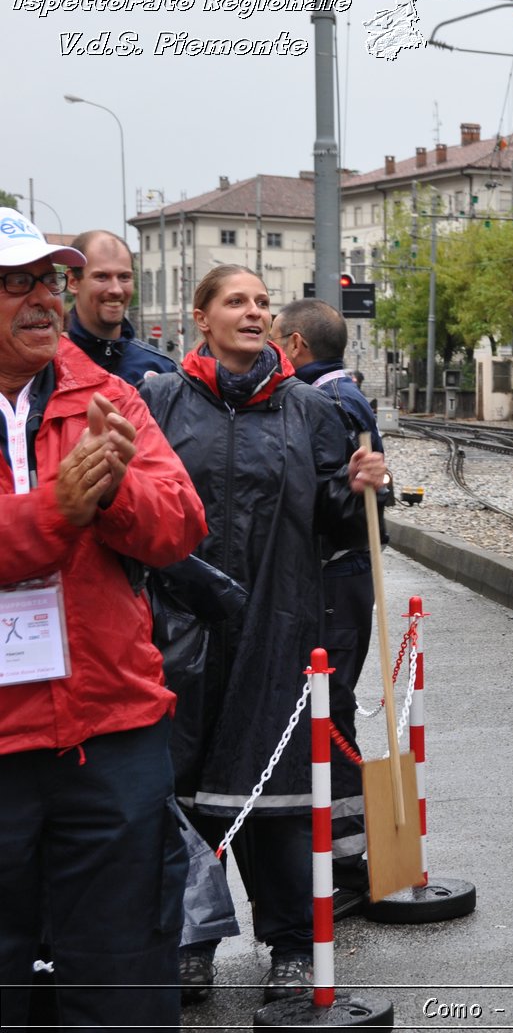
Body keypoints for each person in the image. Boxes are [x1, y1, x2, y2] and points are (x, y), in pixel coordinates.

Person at [139, 265, 387, 1004]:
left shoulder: (308, 409)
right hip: (180, 631)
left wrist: (362, 487)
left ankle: (288, 943)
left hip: (277, 626)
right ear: (201, 318)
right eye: (234, 301)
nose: (251, 312)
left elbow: (336, 520)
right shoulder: (162, 400)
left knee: (273, 793)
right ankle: (191, 940)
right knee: (180, 795)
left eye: (259, 302)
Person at [0, 208, 207, 1029]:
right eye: (16, 285)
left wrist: (112, 488)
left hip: (109, 734)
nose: (44, 300)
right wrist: (54, 512)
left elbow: (182, 524)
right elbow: (49, 523)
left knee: (123, 977)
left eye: (49, 281)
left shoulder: (106, 392)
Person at [271, 298, 388, 908]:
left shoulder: (326, 402)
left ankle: (348, 864)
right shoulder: (346, 394)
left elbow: (340, 504)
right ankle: (344, 856)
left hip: (337, 578)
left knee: (330, 715)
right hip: (344, 576)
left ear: (294, 345)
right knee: (327, 713)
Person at [64, 229, 177, 384]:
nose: (116, 290)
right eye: (102, 277)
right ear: (73, 282)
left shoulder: (160, 369)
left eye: (124, 277)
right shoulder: (45, 364)